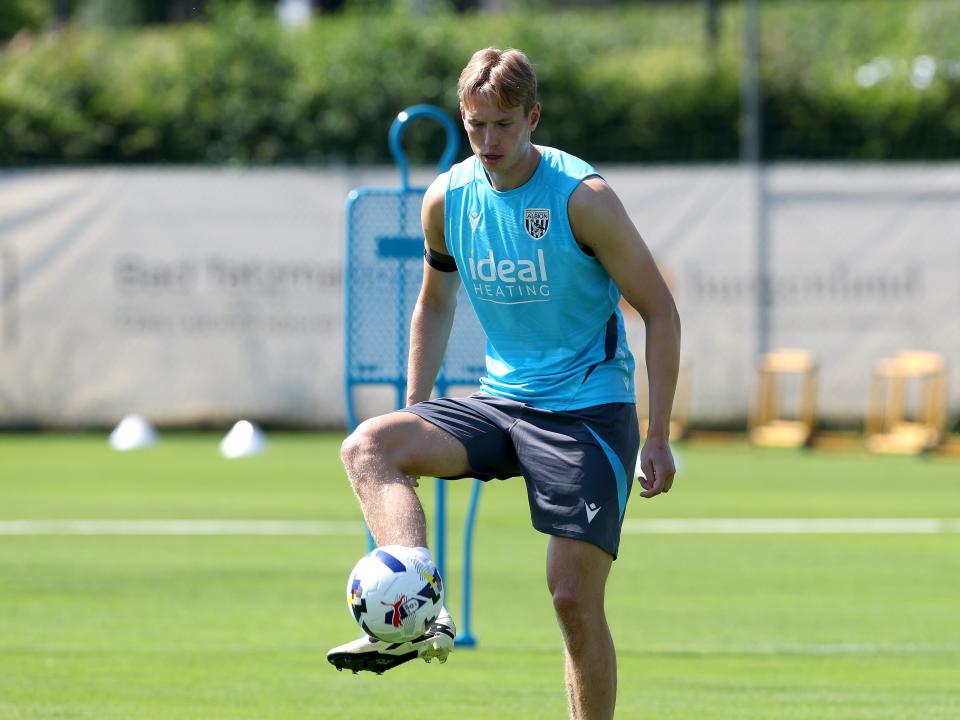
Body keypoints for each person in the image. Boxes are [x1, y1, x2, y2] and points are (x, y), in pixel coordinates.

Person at [328, 47, 681, 719]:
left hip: (587, 412)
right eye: (476, 126)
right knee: (370, 446)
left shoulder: (583, 200)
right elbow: (434, 304)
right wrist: (417, 408)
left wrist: (657, 434)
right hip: (501, 402)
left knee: (572, 598)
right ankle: (416, 609)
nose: (488, 141)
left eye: (503, 125)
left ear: (533, 118)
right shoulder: (447, 198)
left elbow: (660, 311)